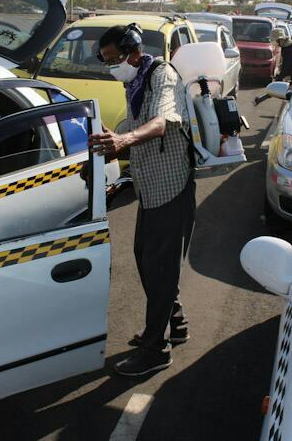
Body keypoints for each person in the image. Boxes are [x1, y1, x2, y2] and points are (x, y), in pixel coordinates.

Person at [90, 24, 195, 376]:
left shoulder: (161, 75)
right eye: (105, 61)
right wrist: (114, 142)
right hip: (149, 186)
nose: (111, 66)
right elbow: (134, 127)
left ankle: (156, 349)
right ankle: (175, 324)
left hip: (170, 185)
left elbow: (161, 122)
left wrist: (123, 141)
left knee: (158, 266)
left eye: (114, 59)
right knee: (147, 257)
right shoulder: (133, 82)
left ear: (133, 52)